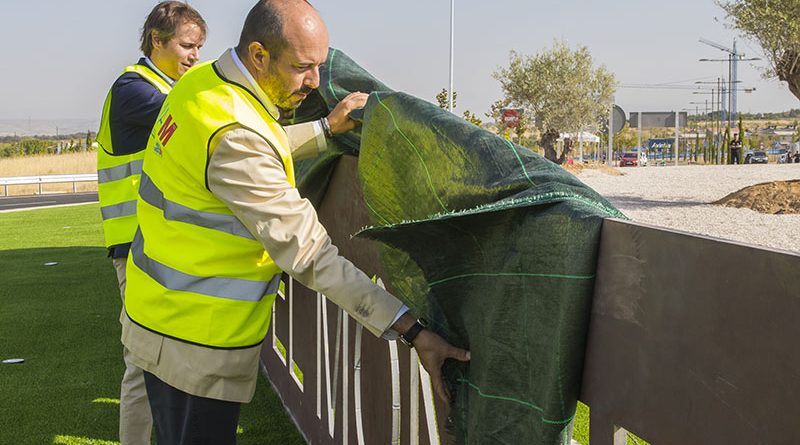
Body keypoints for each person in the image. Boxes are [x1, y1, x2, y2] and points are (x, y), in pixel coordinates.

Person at [120, 1, 470, 443]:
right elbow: (310, 254)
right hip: (199, 343)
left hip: (156, 317)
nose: (315, 81)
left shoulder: (200, 85)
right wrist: (412, 329)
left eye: (320, 66)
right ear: (259, 54)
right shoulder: (235, 134)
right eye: (302, 67)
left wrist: (324, 129)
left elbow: (252, 145)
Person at [95, 3, 206, 443]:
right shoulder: (135, 91)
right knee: (143, 363)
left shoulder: (167, 86)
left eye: (199, 46)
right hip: (137, 250)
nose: (195, 55)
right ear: (156, 42)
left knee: (177, 360)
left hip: (165, 246)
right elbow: (196, 122)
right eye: (186, 45)